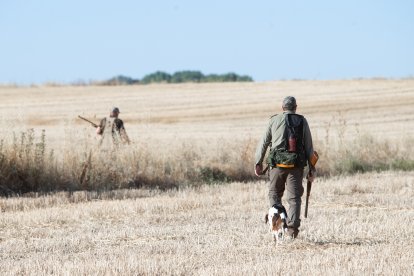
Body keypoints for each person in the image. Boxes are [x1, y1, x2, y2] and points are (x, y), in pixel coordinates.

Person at [255, 96, 316, 239]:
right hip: (296, 166)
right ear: (296, 107)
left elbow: (263, 143)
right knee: (294, 199)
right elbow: (309, 147)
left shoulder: (274, 120)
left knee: (274, 195)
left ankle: (277, 224)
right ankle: (292, 231)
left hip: (276, 166)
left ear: (282, 108)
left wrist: (258, 162)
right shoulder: (302, 120)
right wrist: (312, 169)